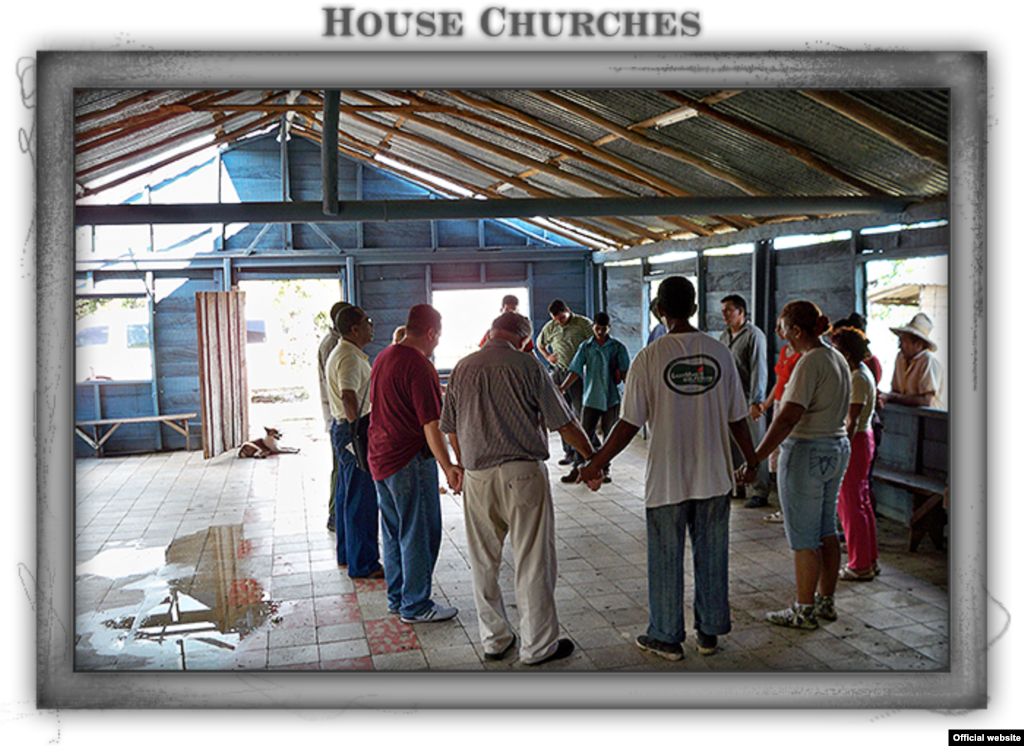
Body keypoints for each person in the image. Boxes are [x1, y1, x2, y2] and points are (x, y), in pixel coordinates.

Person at [579, 276, 758, 660]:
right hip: (715, 476)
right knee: (713, 556)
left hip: (667, 479)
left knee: (665, 559)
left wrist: (595, 462)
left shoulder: (650, 357)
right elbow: (738, 418)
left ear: (659, 310)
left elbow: (627, 424)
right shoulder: (719, 352)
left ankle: (666, 637)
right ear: (694, 309)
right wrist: (753, 461)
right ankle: (708, 634)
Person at [440, 311, 594, 665]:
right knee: (533, 560)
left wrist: (461, 465)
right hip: (523, 475)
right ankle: (538, 647)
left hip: (478, 477)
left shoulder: (463, 367)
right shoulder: (528, 365)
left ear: (489, 331)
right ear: (525, 339)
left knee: (483, 562)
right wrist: (593, 457)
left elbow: (450, 426)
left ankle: (494, 640)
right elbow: (565, 423)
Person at [740, 300, 851, 631]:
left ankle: (803, 611)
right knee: (825, 529)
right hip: (836, 447)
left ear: (797, 331)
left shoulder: (809, 362)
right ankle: (824, 601)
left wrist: (755, 456)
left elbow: (788, 416)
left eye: (782, 326)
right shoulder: (837, 357)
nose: (779, 331)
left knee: (803, 538)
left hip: (806, 451)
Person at [368, 304, 463, 624]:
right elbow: (431, 424)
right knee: (419, 533)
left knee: (395, 532)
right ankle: (416, 605)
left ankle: (398, 598)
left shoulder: (384, 356)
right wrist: (449, 466)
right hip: (409, 460)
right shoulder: (419, 365)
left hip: (380, 457)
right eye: (438, 337)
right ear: (431, 333)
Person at [325, 305, 383, 579]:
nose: (372, 325)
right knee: (362, 498)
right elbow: (349, 396)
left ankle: (348, 554)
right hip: (353, 430)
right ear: (354, 328)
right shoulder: (347, 357)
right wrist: (358, 432)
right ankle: (364, 563)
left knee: (348, 494)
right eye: (367, 321)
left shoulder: (346, 351)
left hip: (345, 429)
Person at [830, 325, 880, 581]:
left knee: (850, 505)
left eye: (836, 350)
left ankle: (859, 564)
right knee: (861, 502)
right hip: (862, 439)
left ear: (847, 354)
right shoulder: (860, 373)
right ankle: (869, 558)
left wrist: (841, 450)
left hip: (857, 441)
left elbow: (851, 421)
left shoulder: (859, 377)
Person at [557, 311, 630, 484]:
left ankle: (604, 470)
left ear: (608, 328)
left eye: (604, 329)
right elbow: (574, 369)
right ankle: (578, 468)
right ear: (593, 327)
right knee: (583, 434)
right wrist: (563, 388)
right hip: (590, 398)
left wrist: (631, 392)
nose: (600, 332)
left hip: (611, 399)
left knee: (609, 435)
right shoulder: (586, 347)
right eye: (598, 328)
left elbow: (626, 372)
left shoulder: (617, 348)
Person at [719, 294, 770, 508]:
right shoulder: (724, 336)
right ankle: (737, 485)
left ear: (741, 311)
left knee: (755, 445)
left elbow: (760, 369)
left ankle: (759, 491)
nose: (724, 314)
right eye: (723, 310)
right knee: (732, 444)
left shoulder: (754, 335)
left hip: (749, 399)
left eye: (728, 310)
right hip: (729, 399)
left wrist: (756, 400)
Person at [751, 321, 802, 524]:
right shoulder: (785, 351)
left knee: (789, 458)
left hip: (792, 405)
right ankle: (784, 507)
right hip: (780, 404)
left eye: (781, 326)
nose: (777, 330)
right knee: (779, 460)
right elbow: (779, 382)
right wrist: (765, 405)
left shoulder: (803, 356)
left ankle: (792, 509)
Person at [537, 299, 594, 466]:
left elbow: (594, 344)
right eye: (556, 319)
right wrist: (548, 356)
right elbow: (540, 344)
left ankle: (584, 451)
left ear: (568, 311)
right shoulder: (550, 327)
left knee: (580, 412)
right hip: (558, 373)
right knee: (561, 414)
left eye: (562, 317)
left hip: (578, 374)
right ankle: (568, 452)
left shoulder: (583, 323)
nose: (560, 321)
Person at [318, 300, 352, 532]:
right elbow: (345, 391)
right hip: (340, 417)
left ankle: (337, 514)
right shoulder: (334, 345)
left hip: (337, 416)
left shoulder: (334, 343)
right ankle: (335, 514)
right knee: (342, 468)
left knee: (341, 467)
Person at [878, 312, 944, 410]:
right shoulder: (900, 357)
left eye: (903, 342)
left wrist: (892, 397)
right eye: (899, 341)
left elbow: (926, 401)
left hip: (930, 419)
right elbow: (895, 391)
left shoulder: (928, 361)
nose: (899, 346)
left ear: (918, 344)